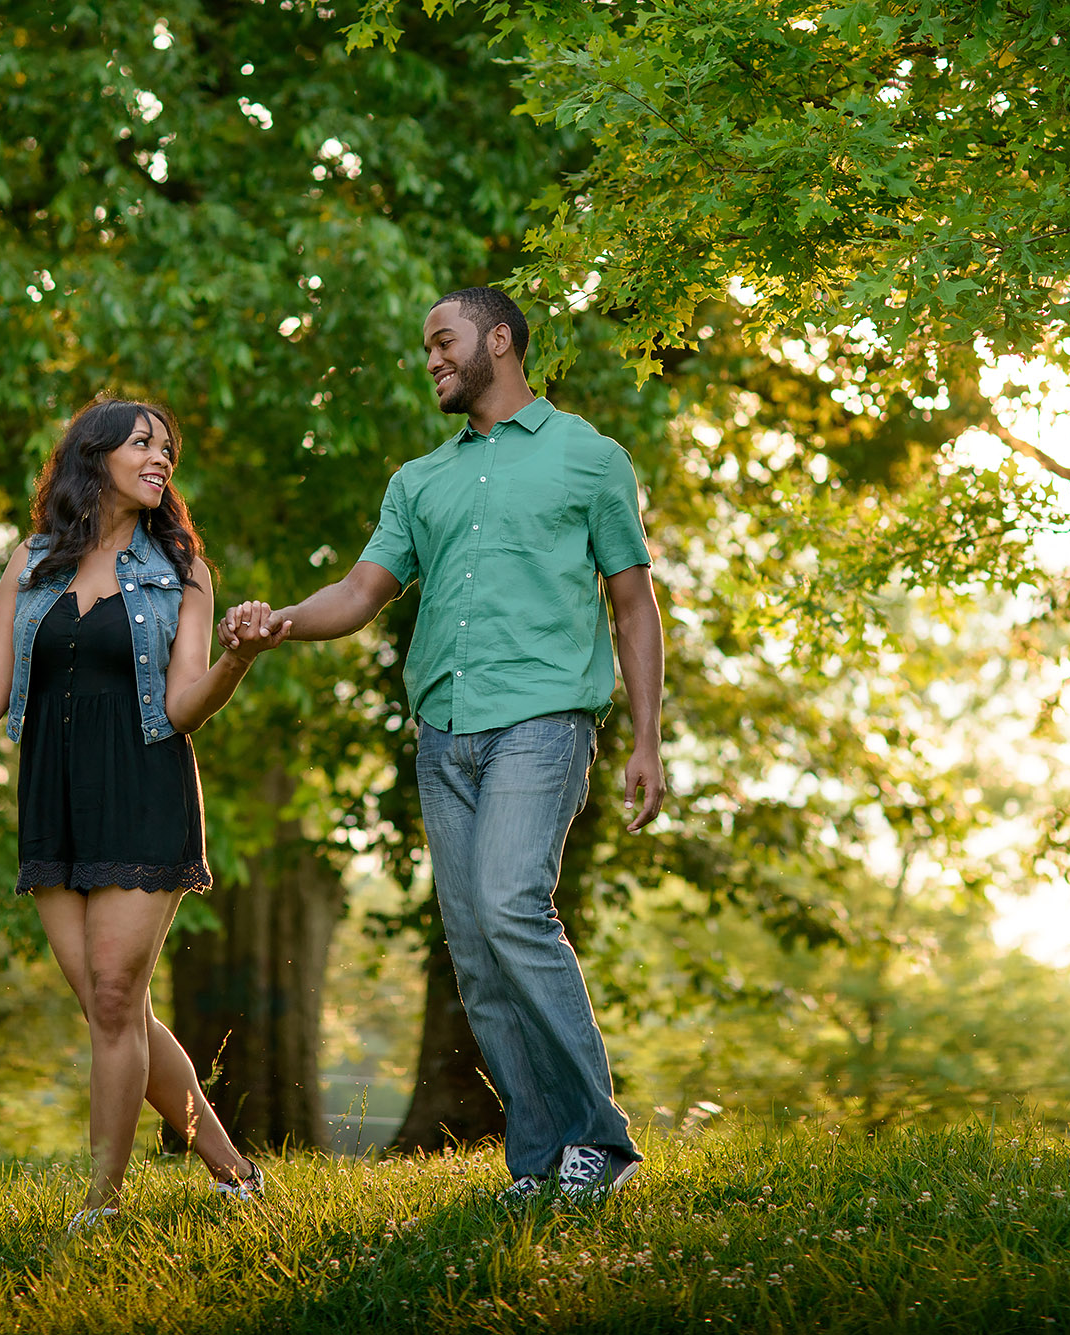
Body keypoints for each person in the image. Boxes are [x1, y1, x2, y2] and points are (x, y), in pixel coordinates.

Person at [219, 286, 665, 1204]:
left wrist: (647, 740)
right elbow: (359, 591)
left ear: (499, 339)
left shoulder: (590, 458)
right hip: (444, 733)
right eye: (426, 346)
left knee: (510, 905)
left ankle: (601, 1140)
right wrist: (280, 624)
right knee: (474, 948)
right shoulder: (419, 481)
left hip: (542, 722)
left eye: (443, 341)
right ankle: (541, 1162)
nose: (430, 359)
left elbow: (632, 604)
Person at [0, 397, 287, 1232]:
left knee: (113, 997)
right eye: (144, 442)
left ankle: (101, 1205)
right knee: (118, 1009)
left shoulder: (182, 570)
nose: (161, 458)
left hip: (145, 788)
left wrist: (239, 660)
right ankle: (236, 1173)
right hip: (55, 798)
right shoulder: (32, 562)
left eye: (169, 449)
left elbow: (182, 705)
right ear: (93, 454)